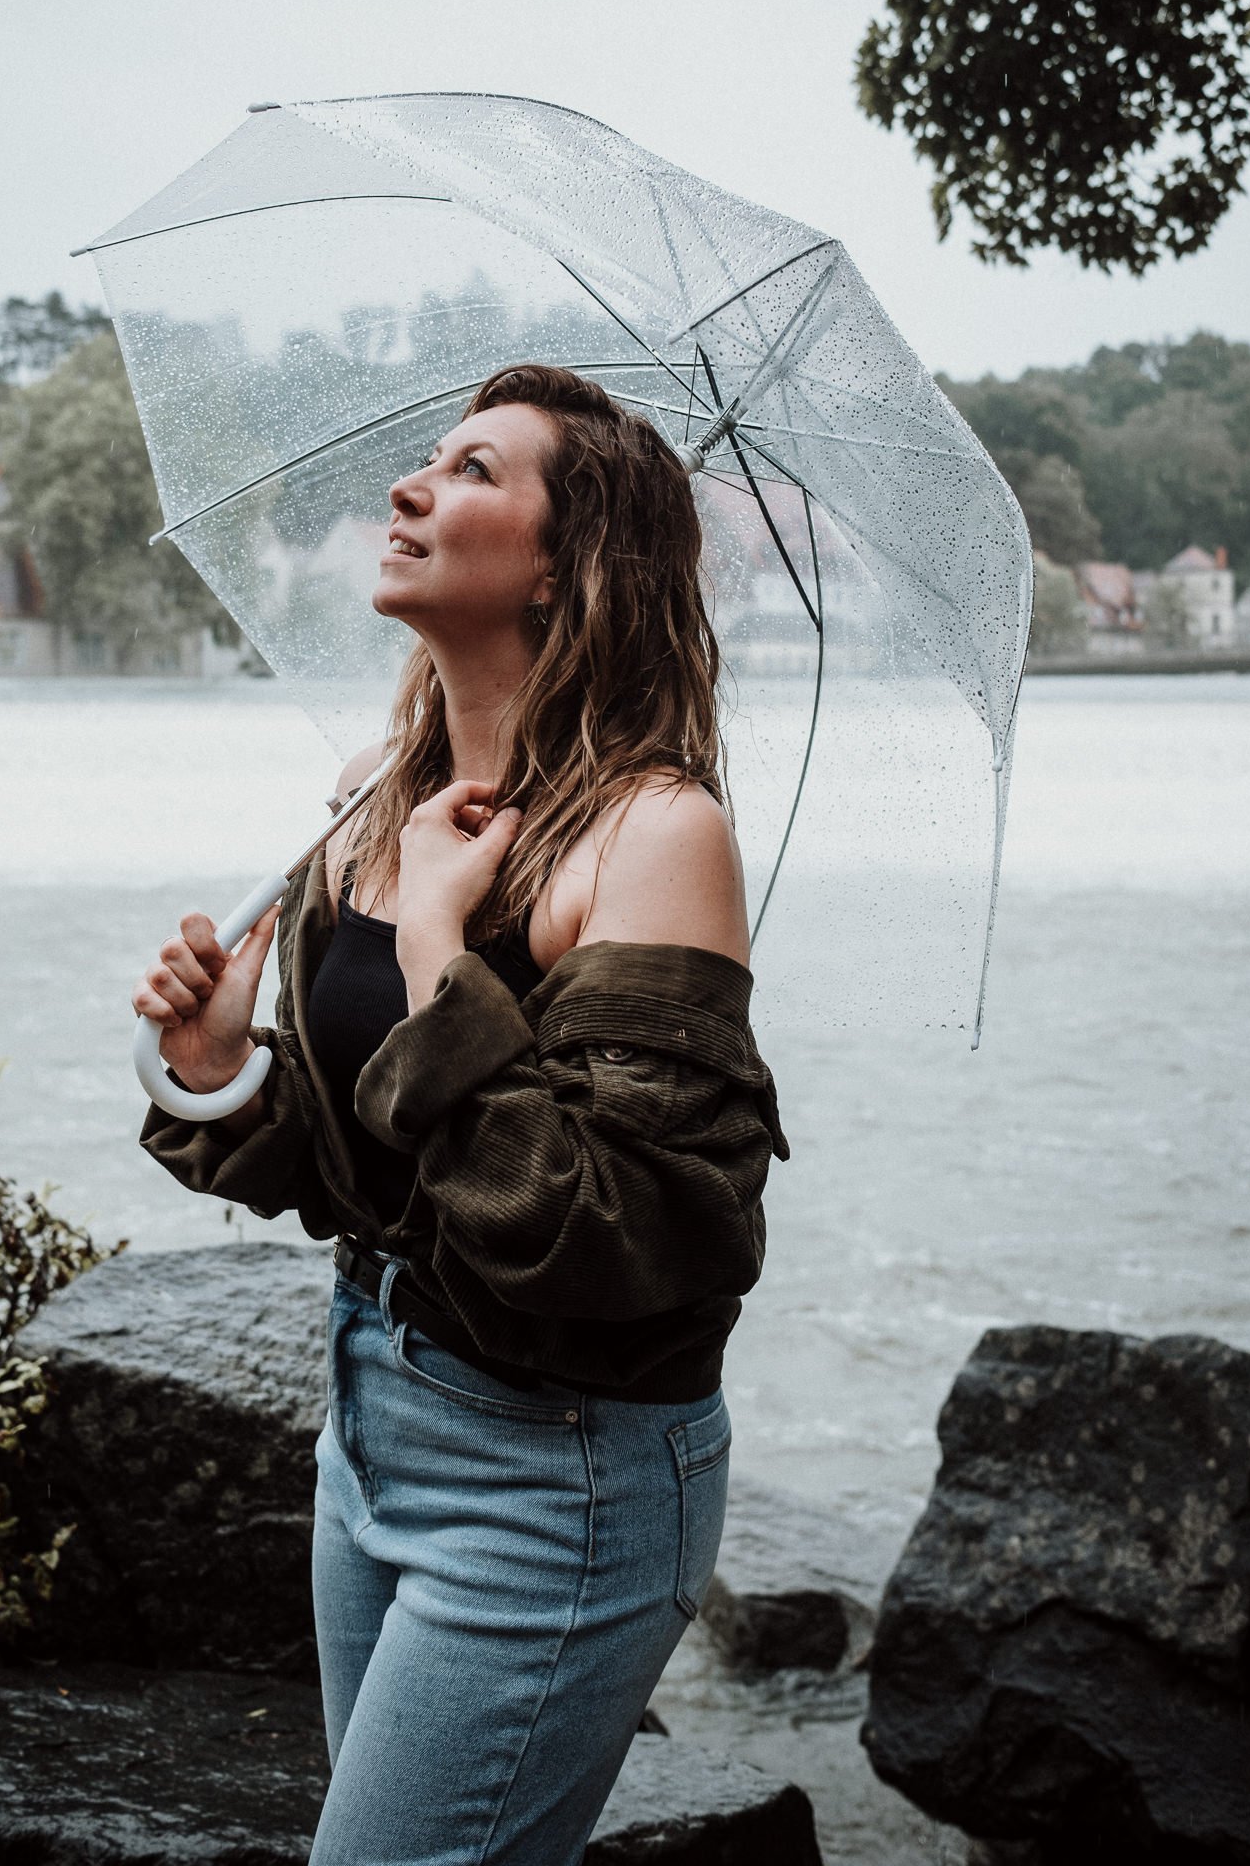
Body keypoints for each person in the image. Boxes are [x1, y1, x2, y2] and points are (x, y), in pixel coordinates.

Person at [131, 363, 788, 1866]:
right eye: (425, 460)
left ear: (566, 560)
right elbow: (368, 1167)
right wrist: (221, 1062)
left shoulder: (655, 833)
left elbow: (622, 1234)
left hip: (558, 1466)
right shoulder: (374, 791)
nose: (408, 489)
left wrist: (437, 947)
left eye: (474, 469)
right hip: (371, 1413)